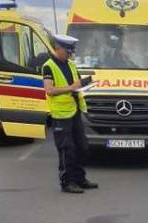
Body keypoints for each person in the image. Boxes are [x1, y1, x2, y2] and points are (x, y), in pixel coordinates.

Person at [42, 35, 98, 194]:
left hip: (75, 111)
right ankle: (67, 182)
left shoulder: (71, 65)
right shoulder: (49, 66)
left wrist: (87, 84)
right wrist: (71, 88)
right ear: (58, 48)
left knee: (82, 146)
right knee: (67, 149)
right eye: (67, 52)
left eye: (71, 52)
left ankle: (80, 178)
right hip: (60, 115)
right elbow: (49, 90)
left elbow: (77, 84)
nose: (69, 55)